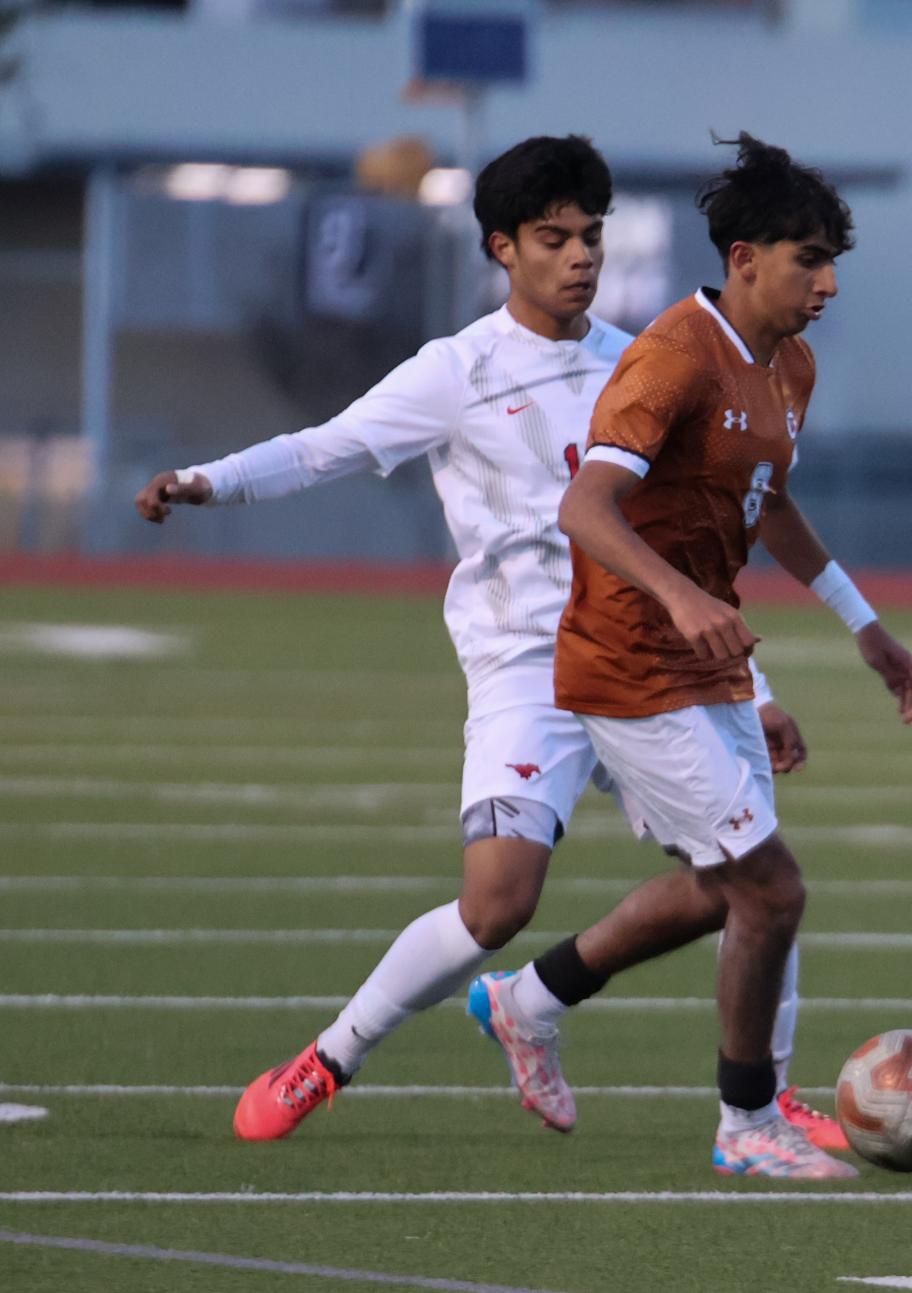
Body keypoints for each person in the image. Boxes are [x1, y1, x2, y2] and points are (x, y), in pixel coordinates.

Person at [132, 135, 841, 1146]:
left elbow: (702, 552)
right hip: (527, 667)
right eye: (554, 239)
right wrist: (209, 479)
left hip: (652, 661)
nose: (581, 256)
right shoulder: (456, 371)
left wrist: (753, 683)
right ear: (502, 249)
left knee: (753, 875)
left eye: (591, 235)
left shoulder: (648, 362)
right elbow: (326, 447)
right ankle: (332, 1054)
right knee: (496, 901)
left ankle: (750, 1095)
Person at [470, 133, 912, 1181]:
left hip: (703, 664)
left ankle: (528, 1000)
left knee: (725, 888)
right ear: (744, 257)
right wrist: (678, 597)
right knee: (773, 891)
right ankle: (747, 1123)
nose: (828, 282)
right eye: (808, 258)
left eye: (832, 260)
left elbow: (771, 507)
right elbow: (585, 506)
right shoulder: (674, 354)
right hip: (628, 662)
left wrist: (862, 623)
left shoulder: (789, 365)